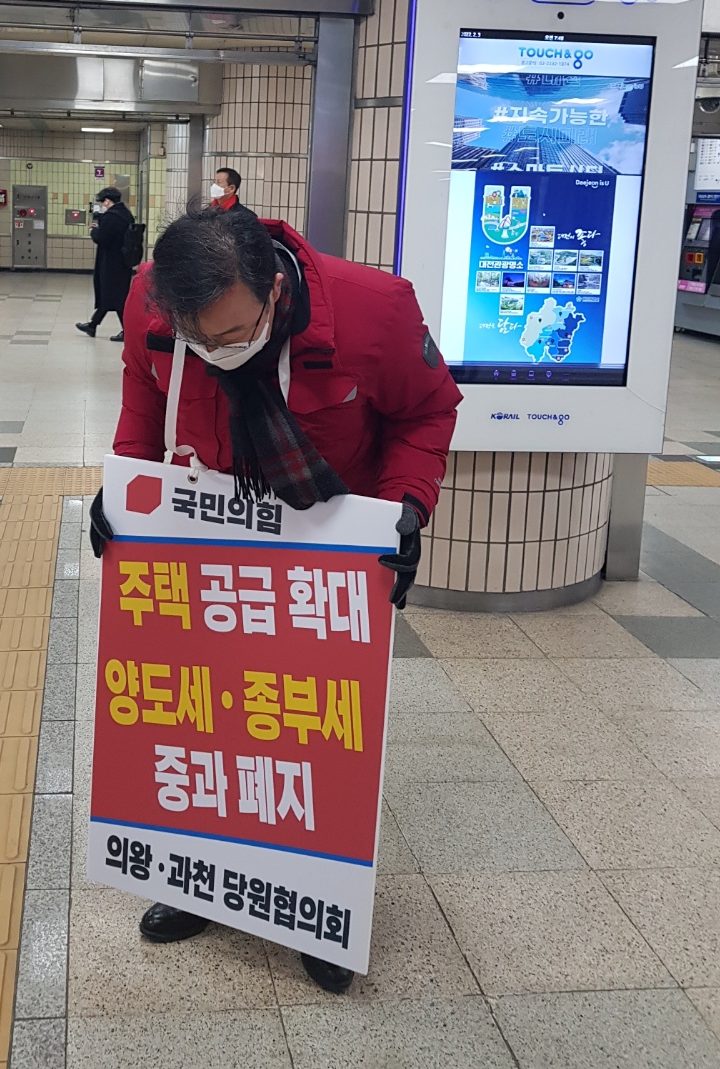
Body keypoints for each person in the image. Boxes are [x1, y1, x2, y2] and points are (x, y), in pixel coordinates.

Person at [89, 206, 461, 994]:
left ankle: (318, 902)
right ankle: (196, 878)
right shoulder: (153, 298)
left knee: (310, 732)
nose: (212, 353)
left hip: (318, 566)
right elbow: (143, 403)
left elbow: (429, 409)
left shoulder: (375, 311)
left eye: (231, 336)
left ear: (274, 289)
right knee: (201, 721)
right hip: (203, 553)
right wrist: (124, 489)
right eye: (194, 340)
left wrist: (406, 505)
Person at [76, 186, 135, 343]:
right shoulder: (126, 214)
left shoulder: (111, 217)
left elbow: (102, 238)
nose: (102, 205)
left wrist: (94, 231)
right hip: (123, 261)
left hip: (110, 262)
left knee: (115, 297)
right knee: (112, 295)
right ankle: (92, 325)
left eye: (102, 202)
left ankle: (127, 331)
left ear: (108, 201)